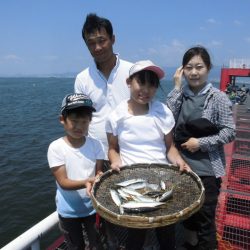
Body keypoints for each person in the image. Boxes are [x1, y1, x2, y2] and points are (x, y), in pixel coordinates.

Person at [106, 60, 191, 250]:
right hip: (133, 183)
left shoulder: (162, 111)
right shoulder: (116, 116)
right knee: (136, 234)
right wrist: (115, 161)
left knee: (166, 232)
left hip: (162, 179)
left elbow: (170, 148)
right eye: (141, 82)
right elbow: (112, 148)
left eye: (152, 84)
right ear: (129, 82)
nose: (146, 89)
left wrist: (180, 161)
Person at [166, 46, 236, 250]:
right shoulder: (181, 95)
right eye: (189, 67)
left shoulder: (218, 97)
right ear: (182, 70)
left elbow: (229, 131)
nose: (194, 72)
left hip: (207, 169)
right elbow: (166, 119)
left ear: (208, 68)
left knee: (205, 219)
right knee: (187, 214)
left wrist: (201, 143)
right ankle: (189, 244)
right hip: (182, 167)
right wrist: (177, 87)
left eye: (199, 67)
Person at [74, 13, 133, 249]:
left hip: (129, 152)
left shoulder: (133, 71)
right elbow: (80, 120)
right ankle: (110, 242)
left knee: (134, 202)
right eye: (91, 43)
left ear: (113, 39)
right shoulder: (82, 79)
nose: (97, 47)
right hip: (97, 155)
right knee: (106, 204)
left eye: (102, 40)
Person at [47, 93, 105, 250]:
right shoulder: (56, 148)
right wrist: (87, 181)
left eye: (84, 121)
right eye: (74, 121)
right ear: (62, 120)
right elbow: (63, 182)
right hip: (68, 212)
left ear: (90, 121)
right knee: (75, 246)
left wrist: (98, 177)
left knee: (97, 244)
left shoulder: (96, 144)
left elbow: (98, 172)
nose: (80, 126)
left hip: (93, 207)